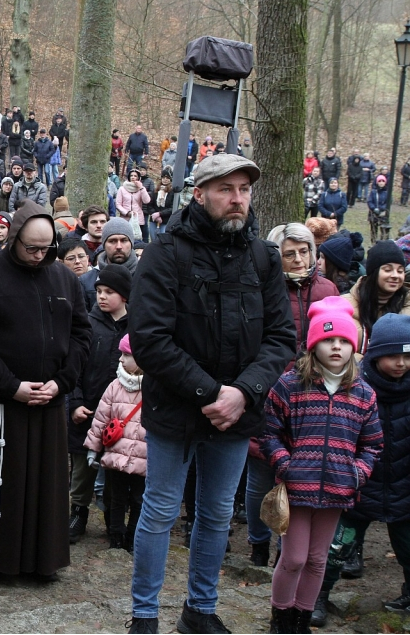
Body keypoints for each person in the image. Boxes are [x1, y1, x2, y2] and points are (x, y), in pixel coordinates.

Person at [127, 153, 296, 634]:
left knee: (218, 512)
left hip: (238, 410)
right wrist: (210, 391)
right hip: (177, 406)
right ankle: (144, 616)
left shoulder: (263, 257)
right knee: (160, 510)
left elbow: (282, 336)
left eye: (244, 189)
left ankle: (200, 610)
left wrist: (243, 392)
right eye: (226, 189)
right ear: (199, 194)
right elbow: (150, 339)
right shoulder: (165, 252)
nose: (237, 198)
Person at [0, 199, 91, 583]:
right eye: (30, 248)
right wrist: (11, 386)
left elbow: (81, 334)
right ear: (13, 239)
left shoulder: (64, 279)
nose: (37, 256)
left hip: (49, 399)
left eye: (45, 249)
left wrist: (62, 381)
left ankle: (40, 559)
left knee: (45, 486)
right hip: (0, 401)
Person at [261, 297, 382, 634]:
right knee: (295, 557)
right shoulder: (290, 386)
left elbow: (373, 443)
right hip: (298, 487)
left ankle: (302, 619)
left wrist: (357, 473)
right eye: (329, 340)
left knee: (317, 560)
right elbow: (270, 432)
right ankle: (281, 619)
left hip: (337, 489)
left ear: (354, 346)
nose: (336, 347)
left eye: (344, 341)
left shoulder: (363, 394)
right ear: (314, 345)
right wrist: (286, 465)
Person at [312, 313, 410, 626]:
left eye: (407, 357)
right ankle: (317, 597)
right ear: (376, 355)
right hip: (359, 488)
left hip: (404, 489)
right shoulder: (356, 388)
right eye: (393, 356)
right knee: (336, 548)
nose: (401, 364)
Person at [69, 264, 130, 543]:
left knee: (118, 468)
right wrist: (76, 403)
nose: (102, 297)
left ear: (126, 296)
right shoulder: (89, 324)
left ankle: (114, 520)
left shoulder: (137, 327)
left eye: (109, 292)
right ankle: (78, 512)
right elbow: (75, 368)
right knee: (82, 467)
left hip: (125, 413)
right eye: (99, 291)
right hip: (90, 408)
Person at [84, 333, 146, 551]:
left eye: (126, 354)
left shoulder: (155, 388)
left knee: (139, 500)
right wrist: (94, 448)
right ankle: (116, 535)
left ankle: (134, 537)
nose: (121, 359)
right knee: (116, 498)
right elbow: (101, 418)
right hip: (116, 455)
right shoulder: (115, 386)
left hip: (143, 458)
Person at [266, 223, 340, 358]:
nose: (298, 260)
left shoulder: (328, 289)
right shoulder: (267, 290)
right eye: (289, 254)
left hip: (318, 370)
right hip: (277, 372)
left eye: (303, 251)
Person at [342, 240, 410, 356]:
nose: (395, 275)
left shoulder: (407, 305)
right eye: (387, 270)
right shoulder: (344, 305)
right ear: (373, 272)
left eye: (400, 271)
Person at [368, 174, 392, 244]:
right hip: (373, 213)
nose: (381, 182)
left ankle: (382, 243)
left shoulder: (387, 193)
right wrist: (374, 208)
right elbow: (370, 201)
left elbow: (388, 202)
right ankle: (373, 243)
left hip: (383, 213)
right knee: (373, 230)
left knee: (383, 230)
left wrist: (381, 209)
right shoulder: (373, 192)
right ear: (377, 182)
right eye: (380, 181)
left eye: (383, 181)